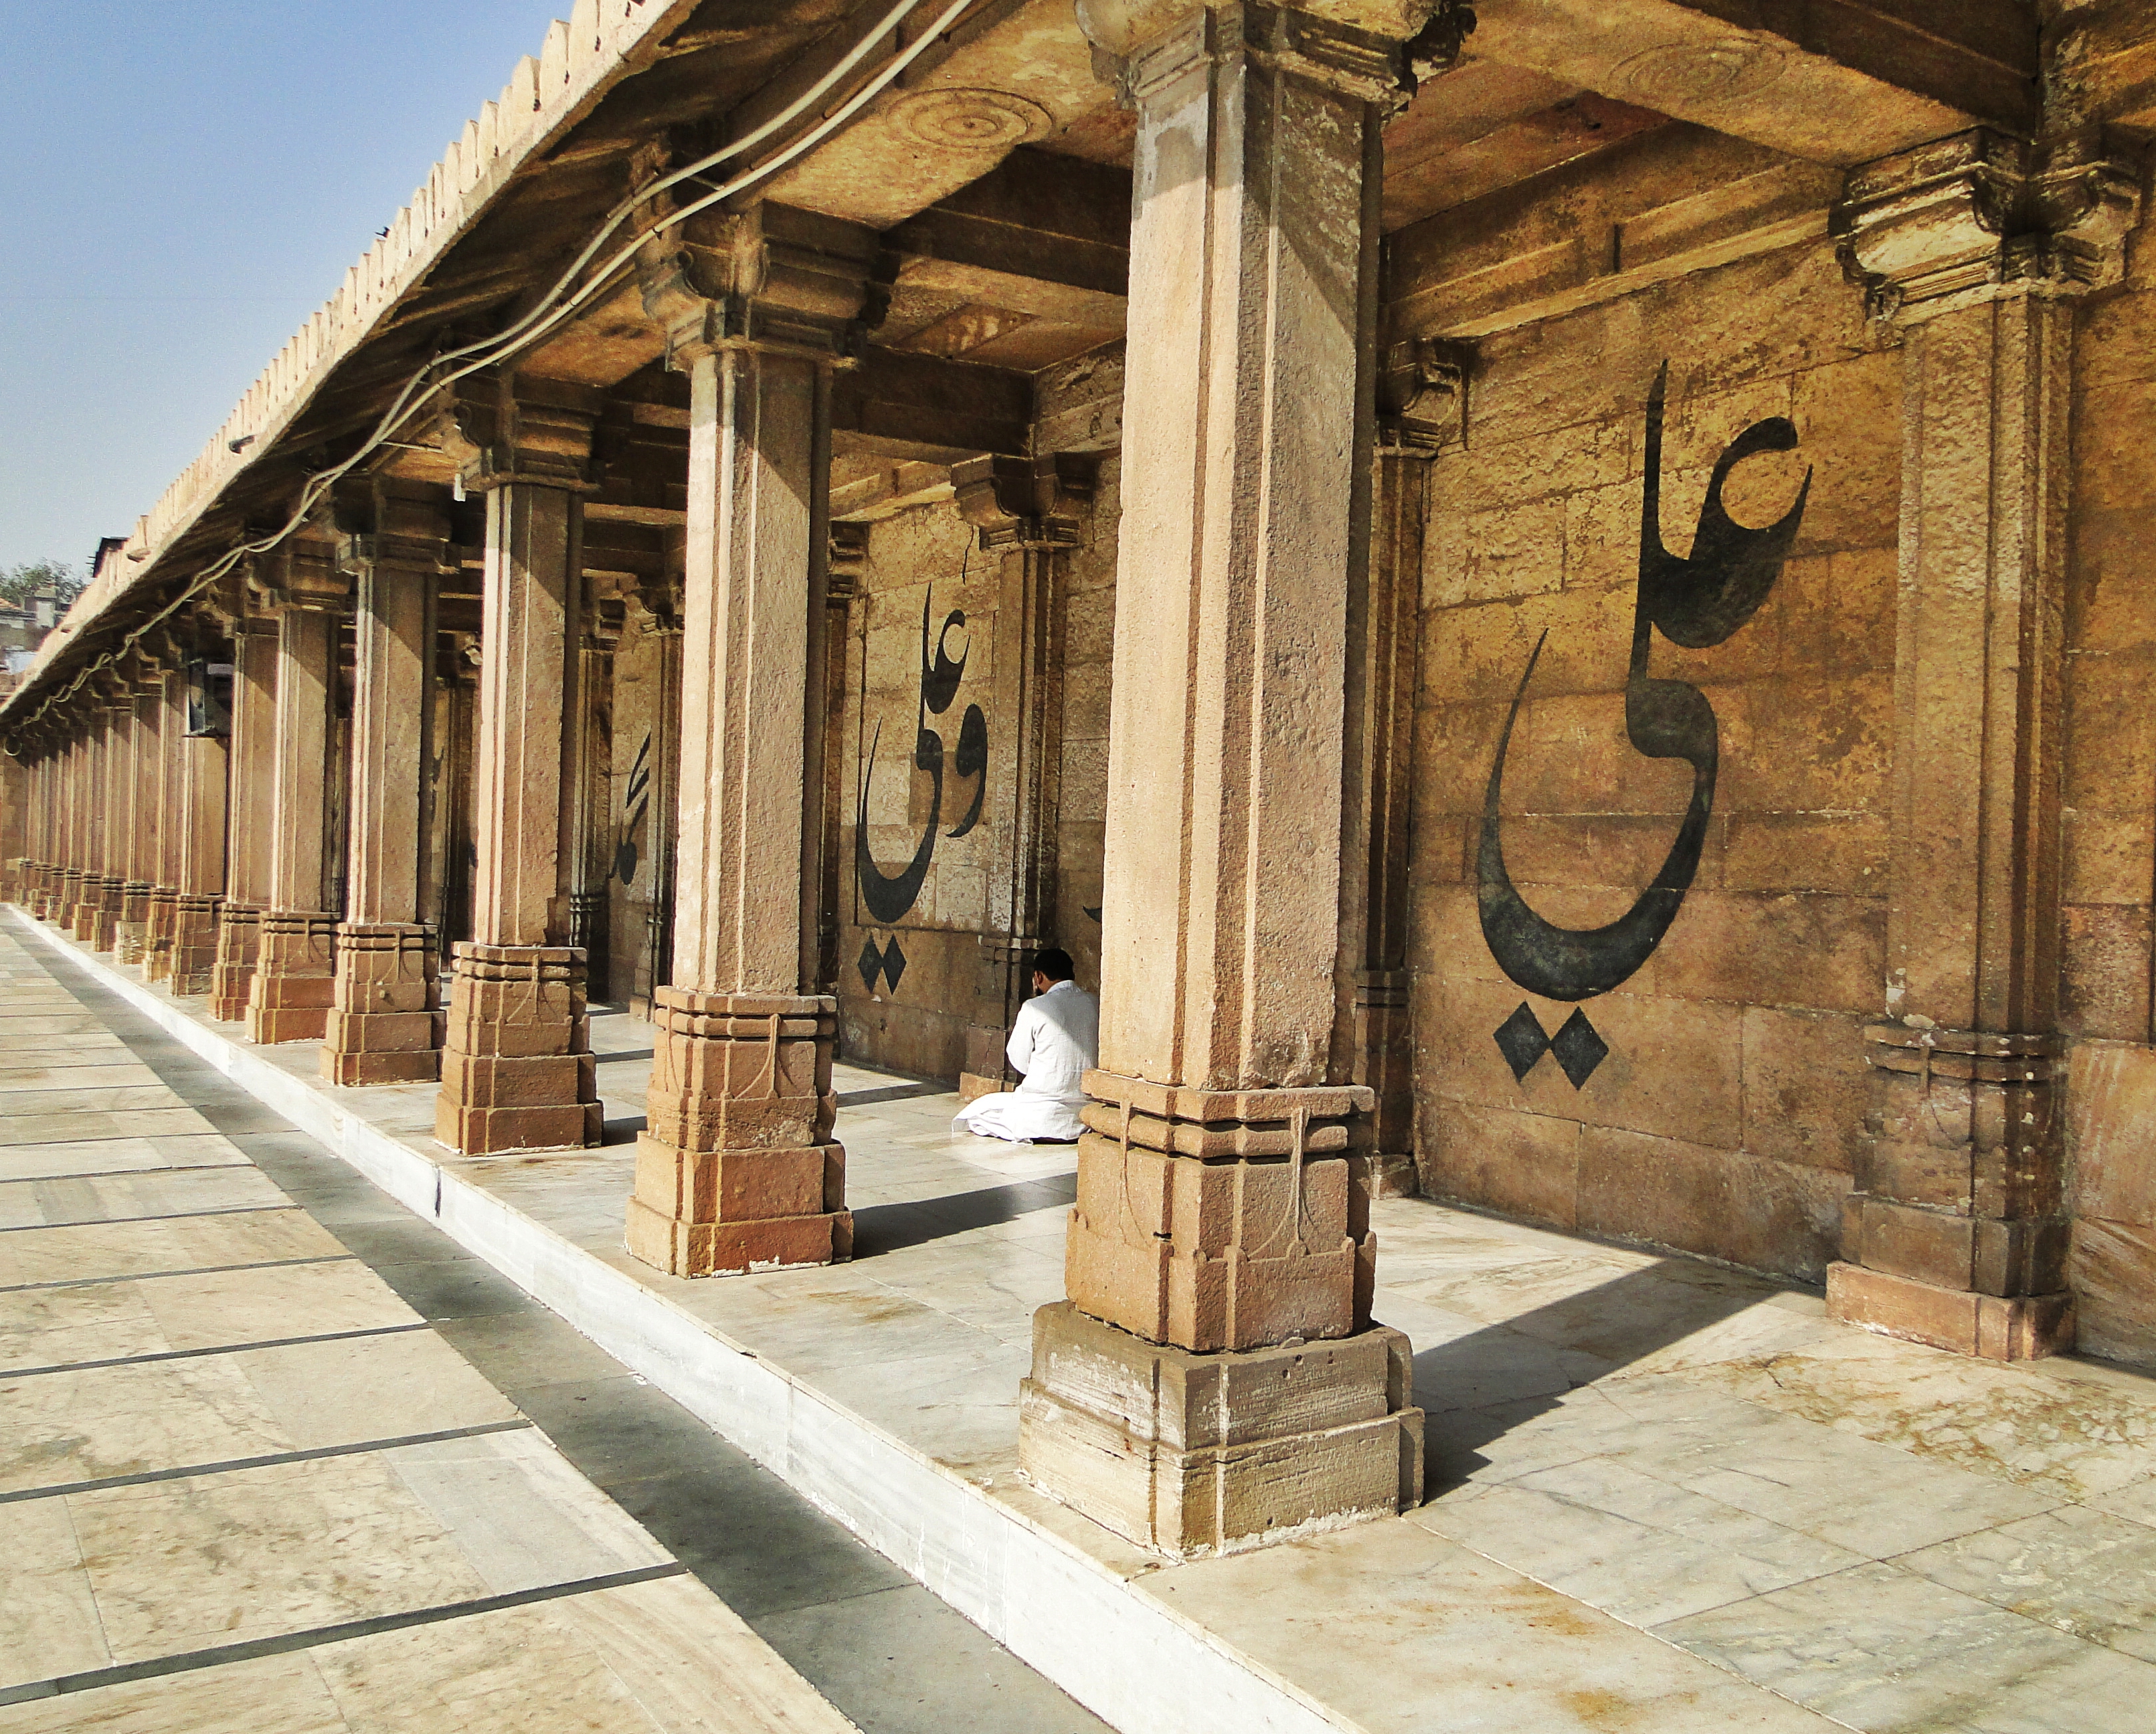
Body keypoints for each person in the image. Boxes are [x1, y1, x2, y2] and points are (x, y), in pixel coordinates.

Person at [953, 947, 1099, 1144]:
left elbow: (1019, 1062)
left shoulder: (1034, 1007)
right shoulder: (1095, 1003)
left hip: (1041, 1116)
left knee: (977, 1113)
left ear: (1038, 977)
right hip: (1086, 1115)